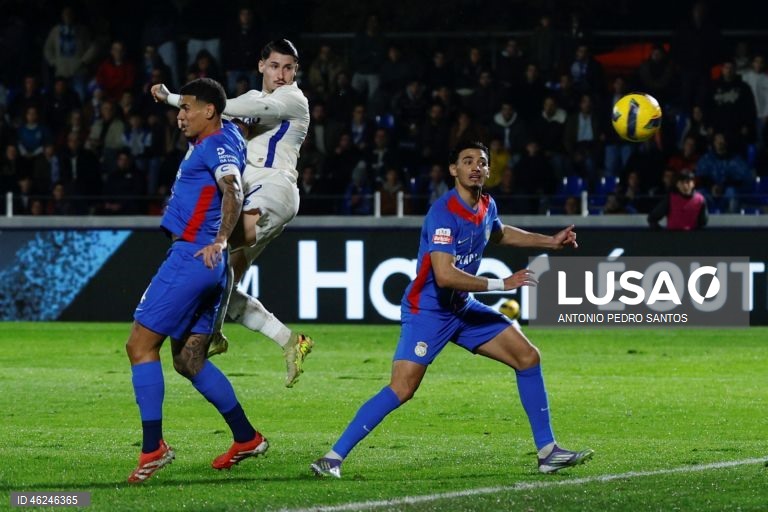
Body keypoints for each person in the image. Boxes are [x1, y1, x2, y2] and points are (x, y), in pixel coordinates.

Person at [310, 141, 593, 479]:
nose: (476, 166)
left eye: (482, 162)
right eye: (467, 161)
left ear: (489, 171)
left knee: (528, 357)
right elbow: (444, 276)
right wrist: (501, 284)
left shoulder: (487, 204)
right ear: (453, 170)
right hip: (428, 311)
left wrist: (551, 241)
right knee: (402, 388)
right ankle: (331, 458)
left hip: (462, 307)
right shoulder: (443, 213)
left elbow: (499, 234)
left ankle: (548, 452)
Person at [125, 77, 267, 483]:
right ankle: (246, 437)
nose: (179, 116)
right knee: (190, 360)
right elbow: (212, 107)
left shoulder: (217, 146)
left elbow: (233, 188)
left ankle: (153, 448)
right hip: (210, 267)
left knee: (139, 345)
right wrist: (167, 95)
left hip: (193, 255)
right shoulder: (230, 134)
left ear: (209, 112)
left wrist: (221, 239)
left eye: (186, 108)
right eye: (178, 108)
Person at [152, 39, 313, 387]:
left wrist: (171, 98)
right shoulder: (256, 105)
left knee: (208, 249)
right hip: (254, 194)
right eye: (274, 66)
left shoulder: (291, 100)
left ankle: (212, 331)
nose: (281, 74)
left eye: (288, 68)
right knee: (220, 278)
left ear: (295, 72)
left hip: (274, 190)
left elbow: (222, 106)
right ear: (261, 66)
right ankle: (289, 341)